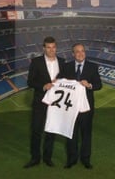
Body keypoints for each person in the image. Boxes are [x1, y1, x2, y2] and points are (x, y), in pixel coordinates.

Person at [58, 43, 102, 169]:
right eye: (77, 51)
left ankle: (86, 159)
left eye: (82, 51)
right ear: (73, 54)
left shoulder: (92, 67)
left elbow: (99, 85)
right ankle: (71, 159)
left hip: (86, 108)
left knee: (86, 134)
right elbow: (60, 82)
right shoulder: (66, 67)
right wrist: (56, 82)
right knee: (71, 134)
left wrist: (89, 85)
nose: (80, 53)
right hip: (70, 108)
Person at [24, 36, 65, 168]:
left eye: (53, 47)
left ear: (56, 47)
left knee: (51, 131)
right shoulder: (36, 62)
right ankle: (35, 158)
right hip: (40, 102)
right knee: (36, 131)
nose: (51, 50)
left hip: (55, 103)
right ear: (44, 48)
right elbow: (30, 82)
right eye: (48, 47)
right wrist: (44, 85)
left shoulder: (63, 62)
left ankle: (48, 158)